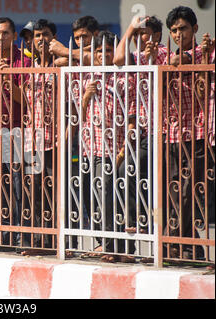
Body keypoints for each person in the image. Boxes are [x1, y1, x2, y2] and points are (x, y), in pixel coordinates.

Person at [80, 31, 142, 262]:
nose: (104, 55)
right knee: (100, 196)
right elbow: (79, 116)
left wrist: (126, 146)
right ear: (93, 55)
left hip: (120, 148)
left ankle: (126, 249)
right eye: (99, 51)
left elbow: (135, 114)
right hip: (95, 149)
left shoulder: (125, 78)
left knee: (122, 197)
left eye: (108, 50)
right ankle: (109, 245)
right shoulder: (87, 77)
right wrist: (86, 97)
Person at [161, 6, 215, 259]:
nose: (177, 34)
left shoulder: (206, 54)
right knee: (174, 191)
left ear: (194, 29)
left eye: (182, 29)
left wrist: (190, 59)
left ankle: (179, 243)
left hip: (199, 131)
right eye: (173, 30)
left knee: (189, 191)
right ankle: (186, 247)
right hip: (172, 133)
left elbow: (179, 62)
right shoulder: (168, 57)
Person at [0, 17, 31, 247]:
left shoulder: (25, 63)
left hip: (17, 132)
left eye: (5, 33)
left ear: (14, 36)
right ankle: (0, 232)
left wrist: (10, 79)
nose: (1, 38)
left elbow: (28, 102)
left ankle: (20, 232)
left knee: (18, 184)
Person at [23, 19, 57, 253]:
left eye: (45, 34)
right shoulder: (29, 67)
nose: (41, 39)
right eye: (36, 36)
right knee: (33, 191)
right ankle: (36, 241)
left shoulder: (62, 65)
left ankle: (57, 241)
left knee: (54, 191)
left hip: (54, 138)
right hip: (31, 139)